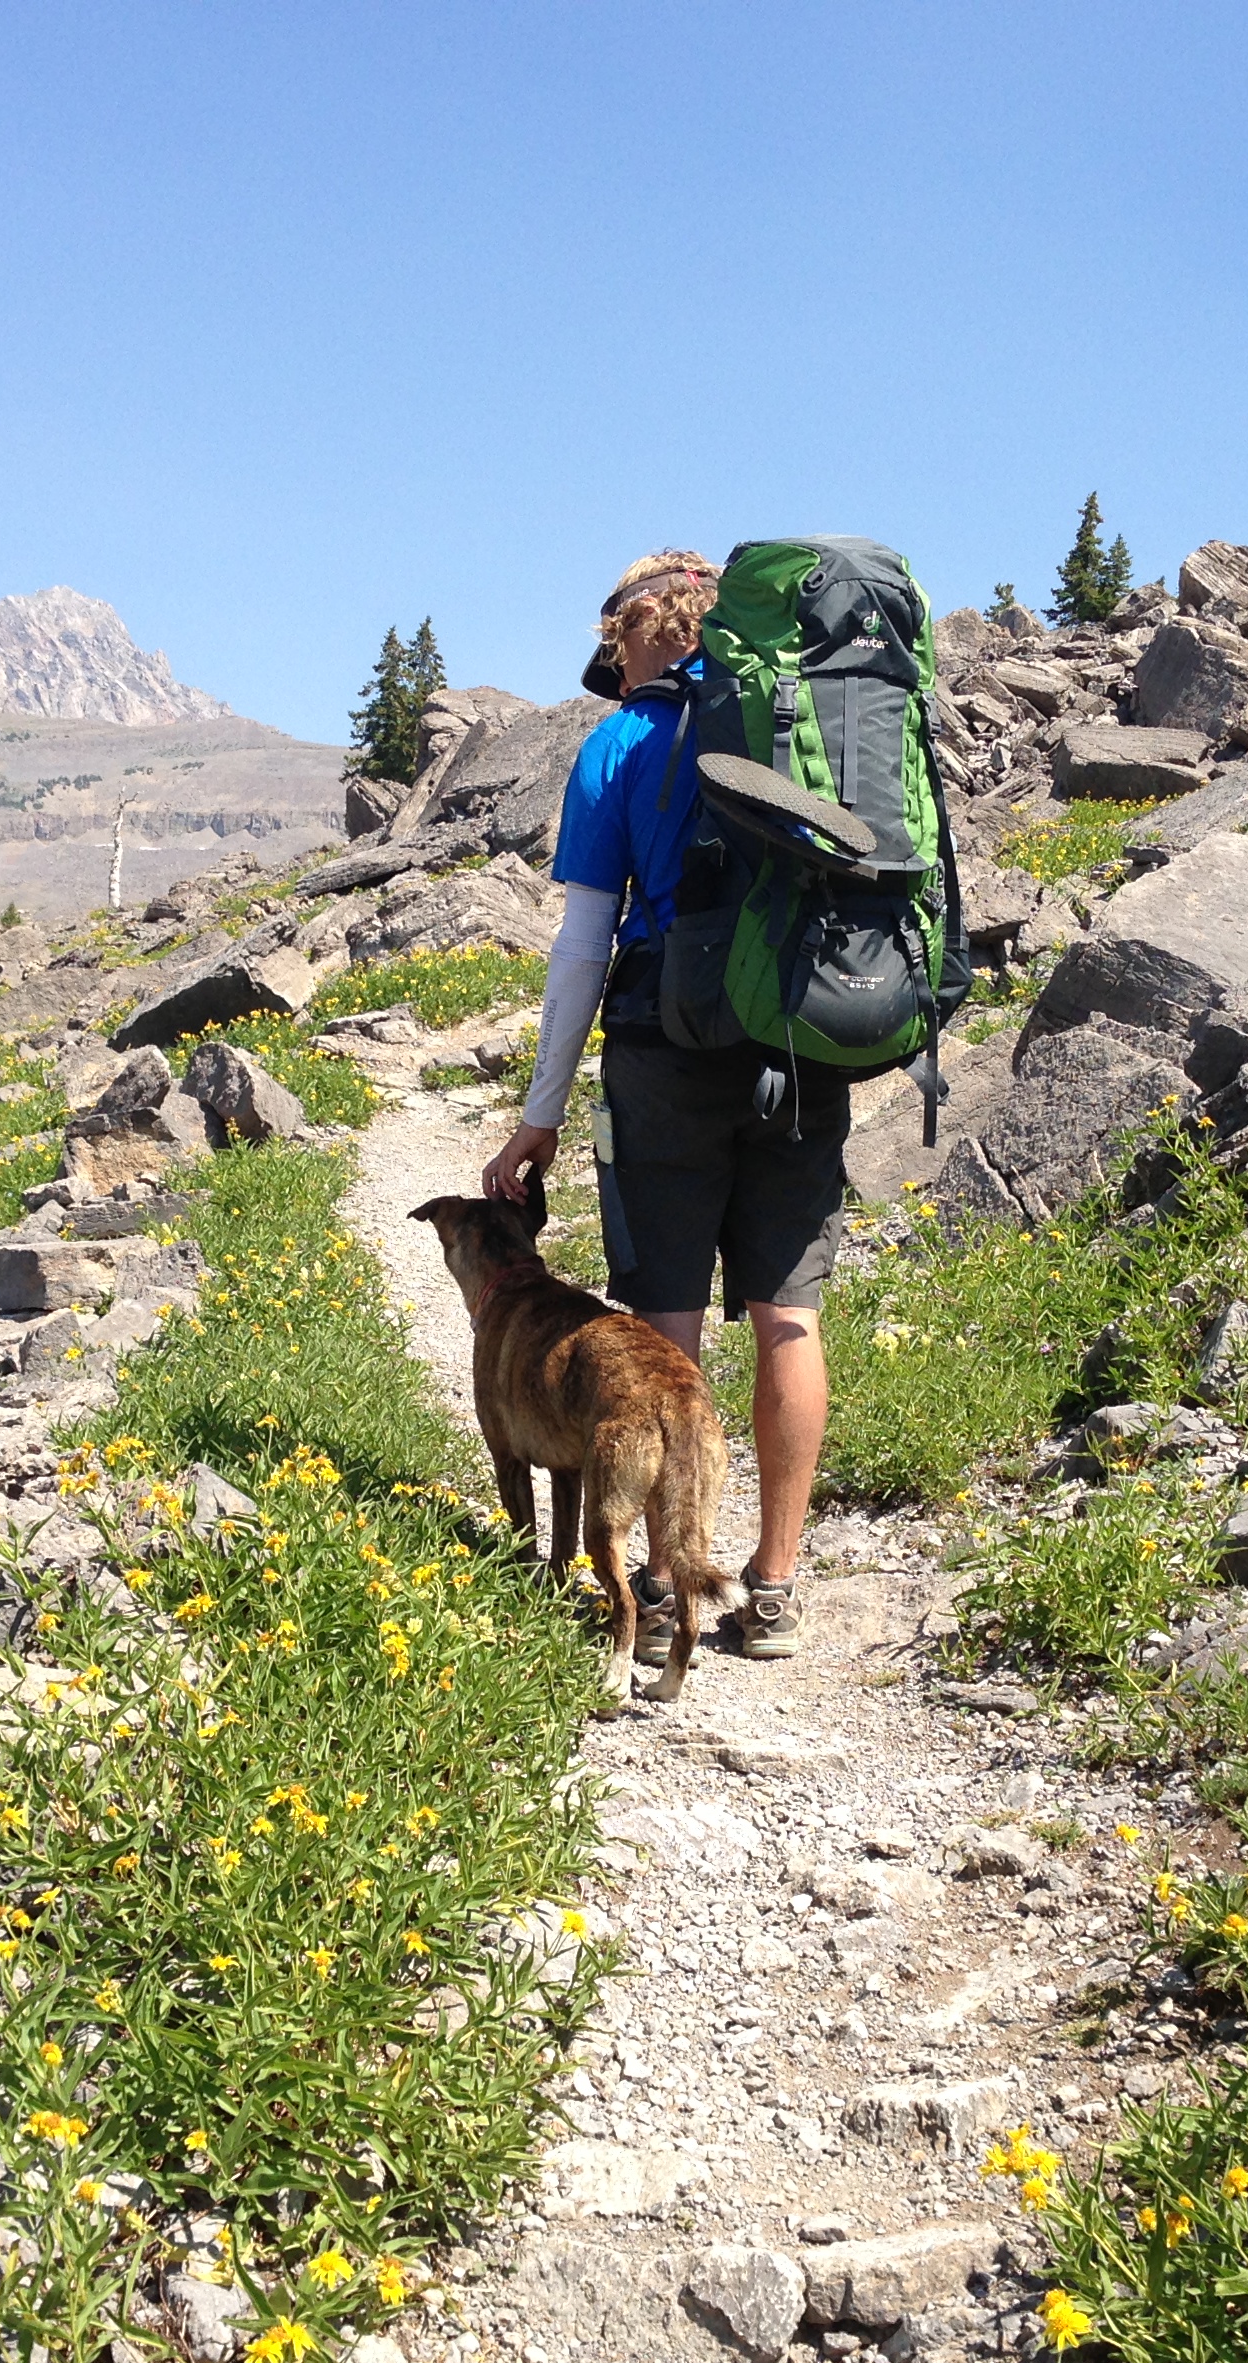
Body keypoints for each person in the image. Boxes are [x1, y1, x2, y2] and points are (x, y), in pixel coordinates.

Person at [480, 549, 845, 1662]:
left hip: (662, 1048)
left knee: (664, 1321)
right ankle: (773, 1585)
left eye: (615, 638)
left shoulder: (620, 746)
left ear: (640, 629)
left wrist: (541, 1110)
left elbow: (585, 941)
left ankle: (657, 1583)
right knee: (790, 1314)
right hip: (803, 1037)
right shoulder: (807, 723)